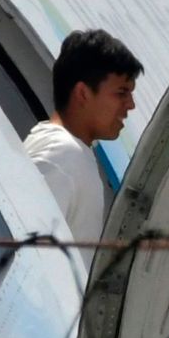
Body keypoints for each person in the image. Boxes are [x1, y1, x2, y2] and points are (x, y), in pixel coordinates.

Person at [24, 29, 141, 251]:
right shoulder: (61, 152)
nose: (131, 105)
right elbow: (31, 249)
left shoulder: (70, 152)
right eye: (121, 92)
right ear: (83, 93)